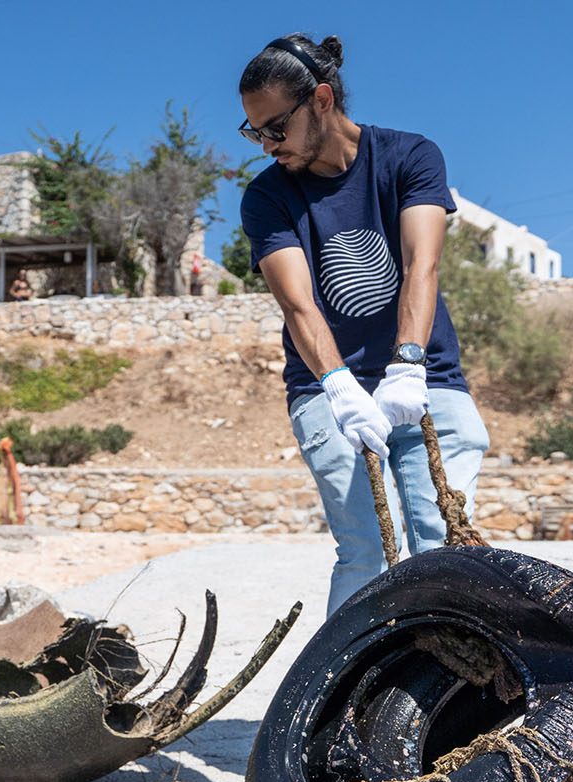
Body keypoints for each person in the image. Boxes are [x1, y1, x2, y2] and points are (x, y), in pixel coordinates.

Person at [237, 34, 489, 613]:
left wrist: (406, 364)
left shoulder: (410, 156)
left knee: (443, 544)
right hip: (330, 388)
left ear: (320, 100)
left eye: (275, 128)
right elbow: (300, 305)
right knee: (368, 551)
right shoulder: (267, 197)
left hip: (426, 378)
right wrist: (340, 386)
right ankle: (342, 699)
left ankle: (447, 693)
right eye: (255, 133)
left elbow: (419, 265)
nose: (267, 145)